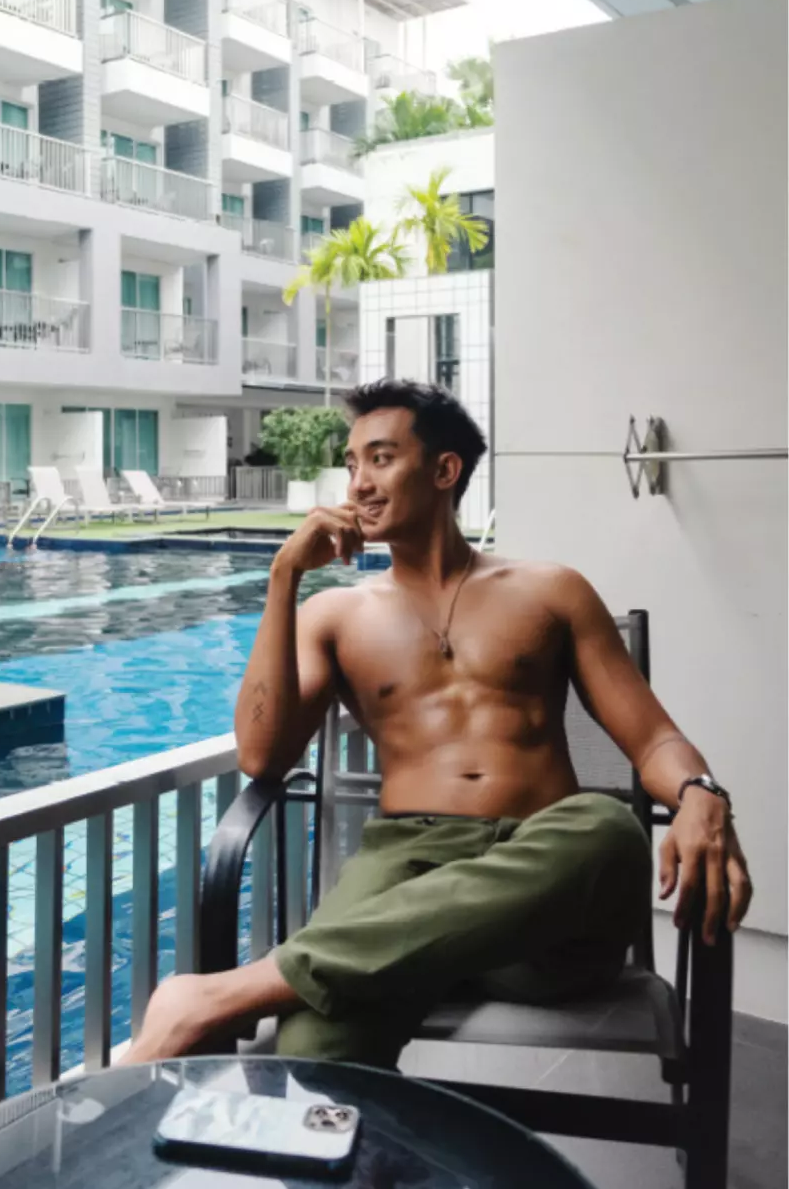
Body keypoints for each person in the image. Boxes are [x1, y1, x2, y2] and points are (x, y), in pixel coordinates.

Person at [122, 379, 752, 1066]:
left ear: (445, 470)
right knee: (312, 1056)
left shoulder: (552, 591)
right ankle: (335, 1037)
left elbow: (653, 739)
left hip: (541, 887)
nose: (358, 483)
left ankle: (228, 993)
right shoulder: (334, 616)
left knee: (607, 828)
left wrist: (700, 793)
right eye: (353, 463)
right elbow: (261, 757)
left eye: (381, 458)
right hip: (405, 866)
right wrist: (283, 578)